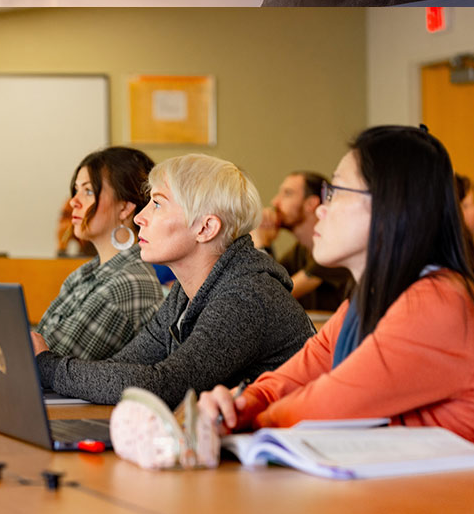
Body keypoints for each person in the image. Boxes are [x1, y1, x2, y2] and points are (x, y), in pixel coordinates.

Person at [199, 126, 474, 475]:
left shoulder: (439, 302)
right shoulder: (367, 299)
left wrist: (236, 421)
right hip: (443, 500)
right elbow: (290, 378)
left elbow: (327, 405)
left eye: (334, 192)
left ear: (390, 206)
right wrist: (242, 403)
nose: (320, 209)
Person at [32, 153, 314, 408]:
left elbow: (165, 386)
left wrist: (47, 365)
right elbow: (125, 365)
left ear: (205, 228)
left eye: (157, 204)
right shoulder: (186, 293)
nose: (140, 217)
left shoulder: (247, 295)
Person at [35, 147, 164, 360]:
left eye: (88, 191)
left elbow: (43, 360)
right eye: (76, 190)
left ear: (125, 207)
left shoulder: (128, 283)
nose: (73, 202)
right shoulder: (86, 273)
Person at [250, 171, 352, 311]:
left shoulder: (335, 248)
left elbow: (273, 296)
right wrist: (265, 244)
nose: (275, 202)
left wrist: (261, 245)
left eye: (287, 193)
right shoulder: (300, 251)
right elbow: (263, 286)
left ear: (311, 203)